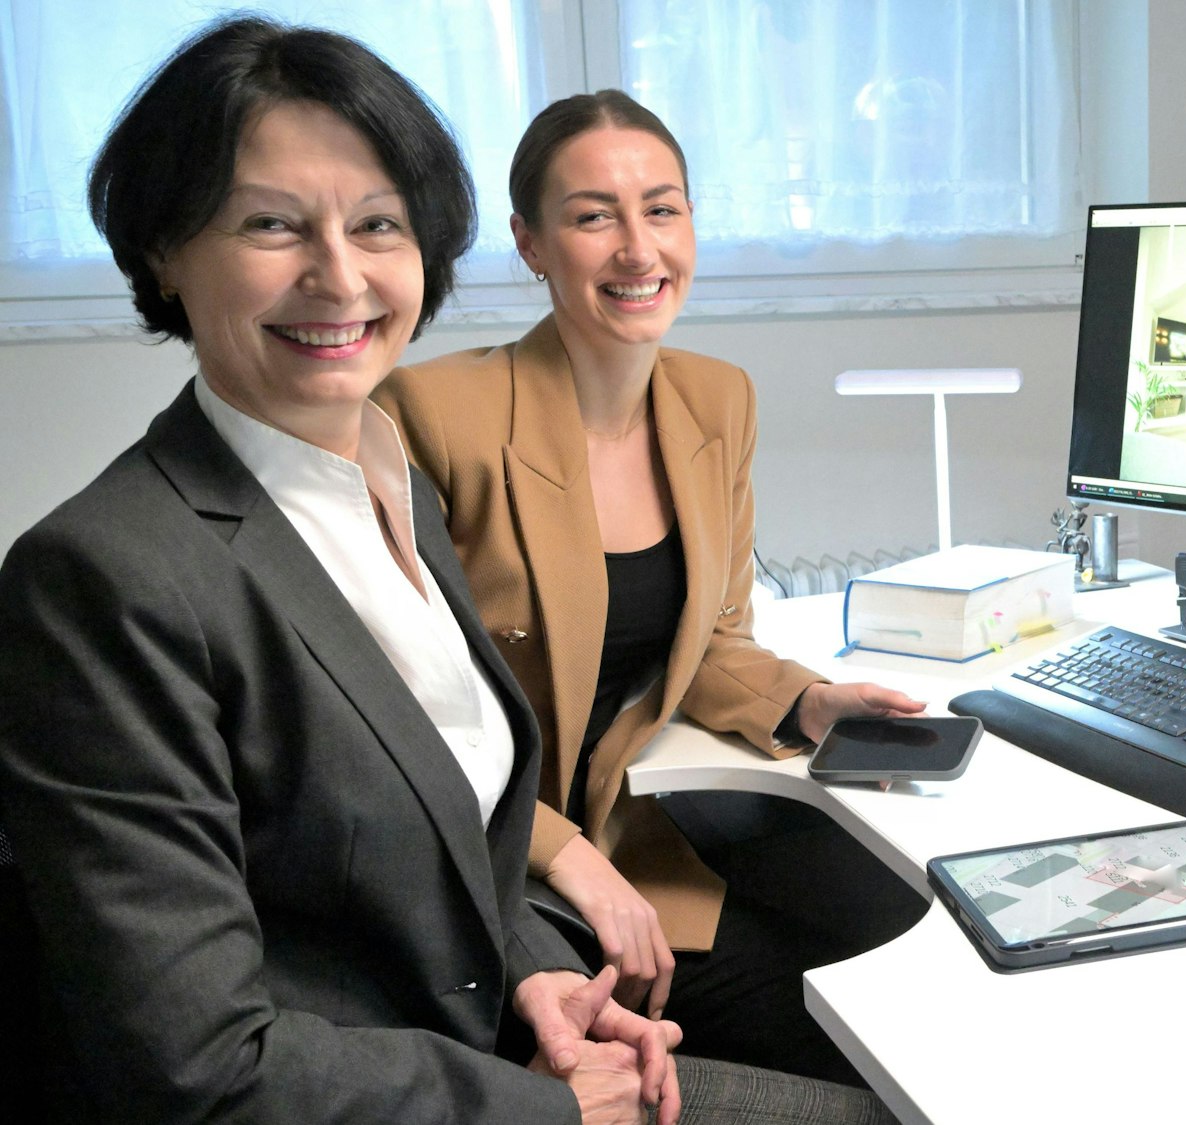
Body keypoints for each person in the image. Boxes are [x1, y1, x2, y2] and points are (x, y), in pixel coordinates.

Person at [0, 19, 858, 1125]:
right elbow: (196, 1068)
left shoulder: (383, 476)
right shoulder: (104, 579)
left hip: (498, 1037)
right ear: (166, 248)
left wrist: (539, 969)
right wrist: (546, 1107)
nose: (339, 275)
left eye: (378, 225)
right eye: (271, 224)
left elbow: (448, 817)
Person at [374, 92, 925, 1087]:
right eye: (593, 217)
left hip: (635, 853)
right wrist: (568, 860)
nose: (637, 250)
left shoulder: (715, 399)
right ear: (531, 244)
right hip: (492, 877)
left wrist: (805, 700)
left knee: (897, 981)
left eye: (661, 210)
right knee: (849, 1053)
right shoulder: (431, 414)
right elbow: (396, 717)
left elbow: (711, 643)